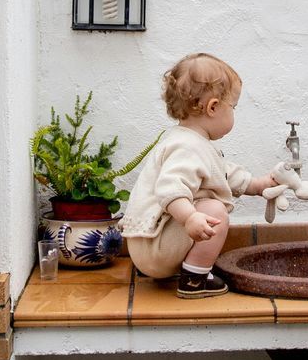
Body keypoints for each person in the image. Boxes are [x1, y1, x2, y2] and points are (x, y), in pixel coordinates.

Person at [118, 53, 279, 299]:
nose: (234, 113)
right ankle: (195, 279)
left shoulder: (188, 141)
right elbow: (170, 190)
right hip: (155, 247)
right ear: (213, 107)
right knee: (214, 212)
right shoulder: (187, 147)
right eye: (233, 107)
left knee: (208, 207)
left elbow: (223, 173)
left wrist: (258, 185)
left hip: (150, 245)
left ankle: (184, 268)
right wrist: (190, 217)